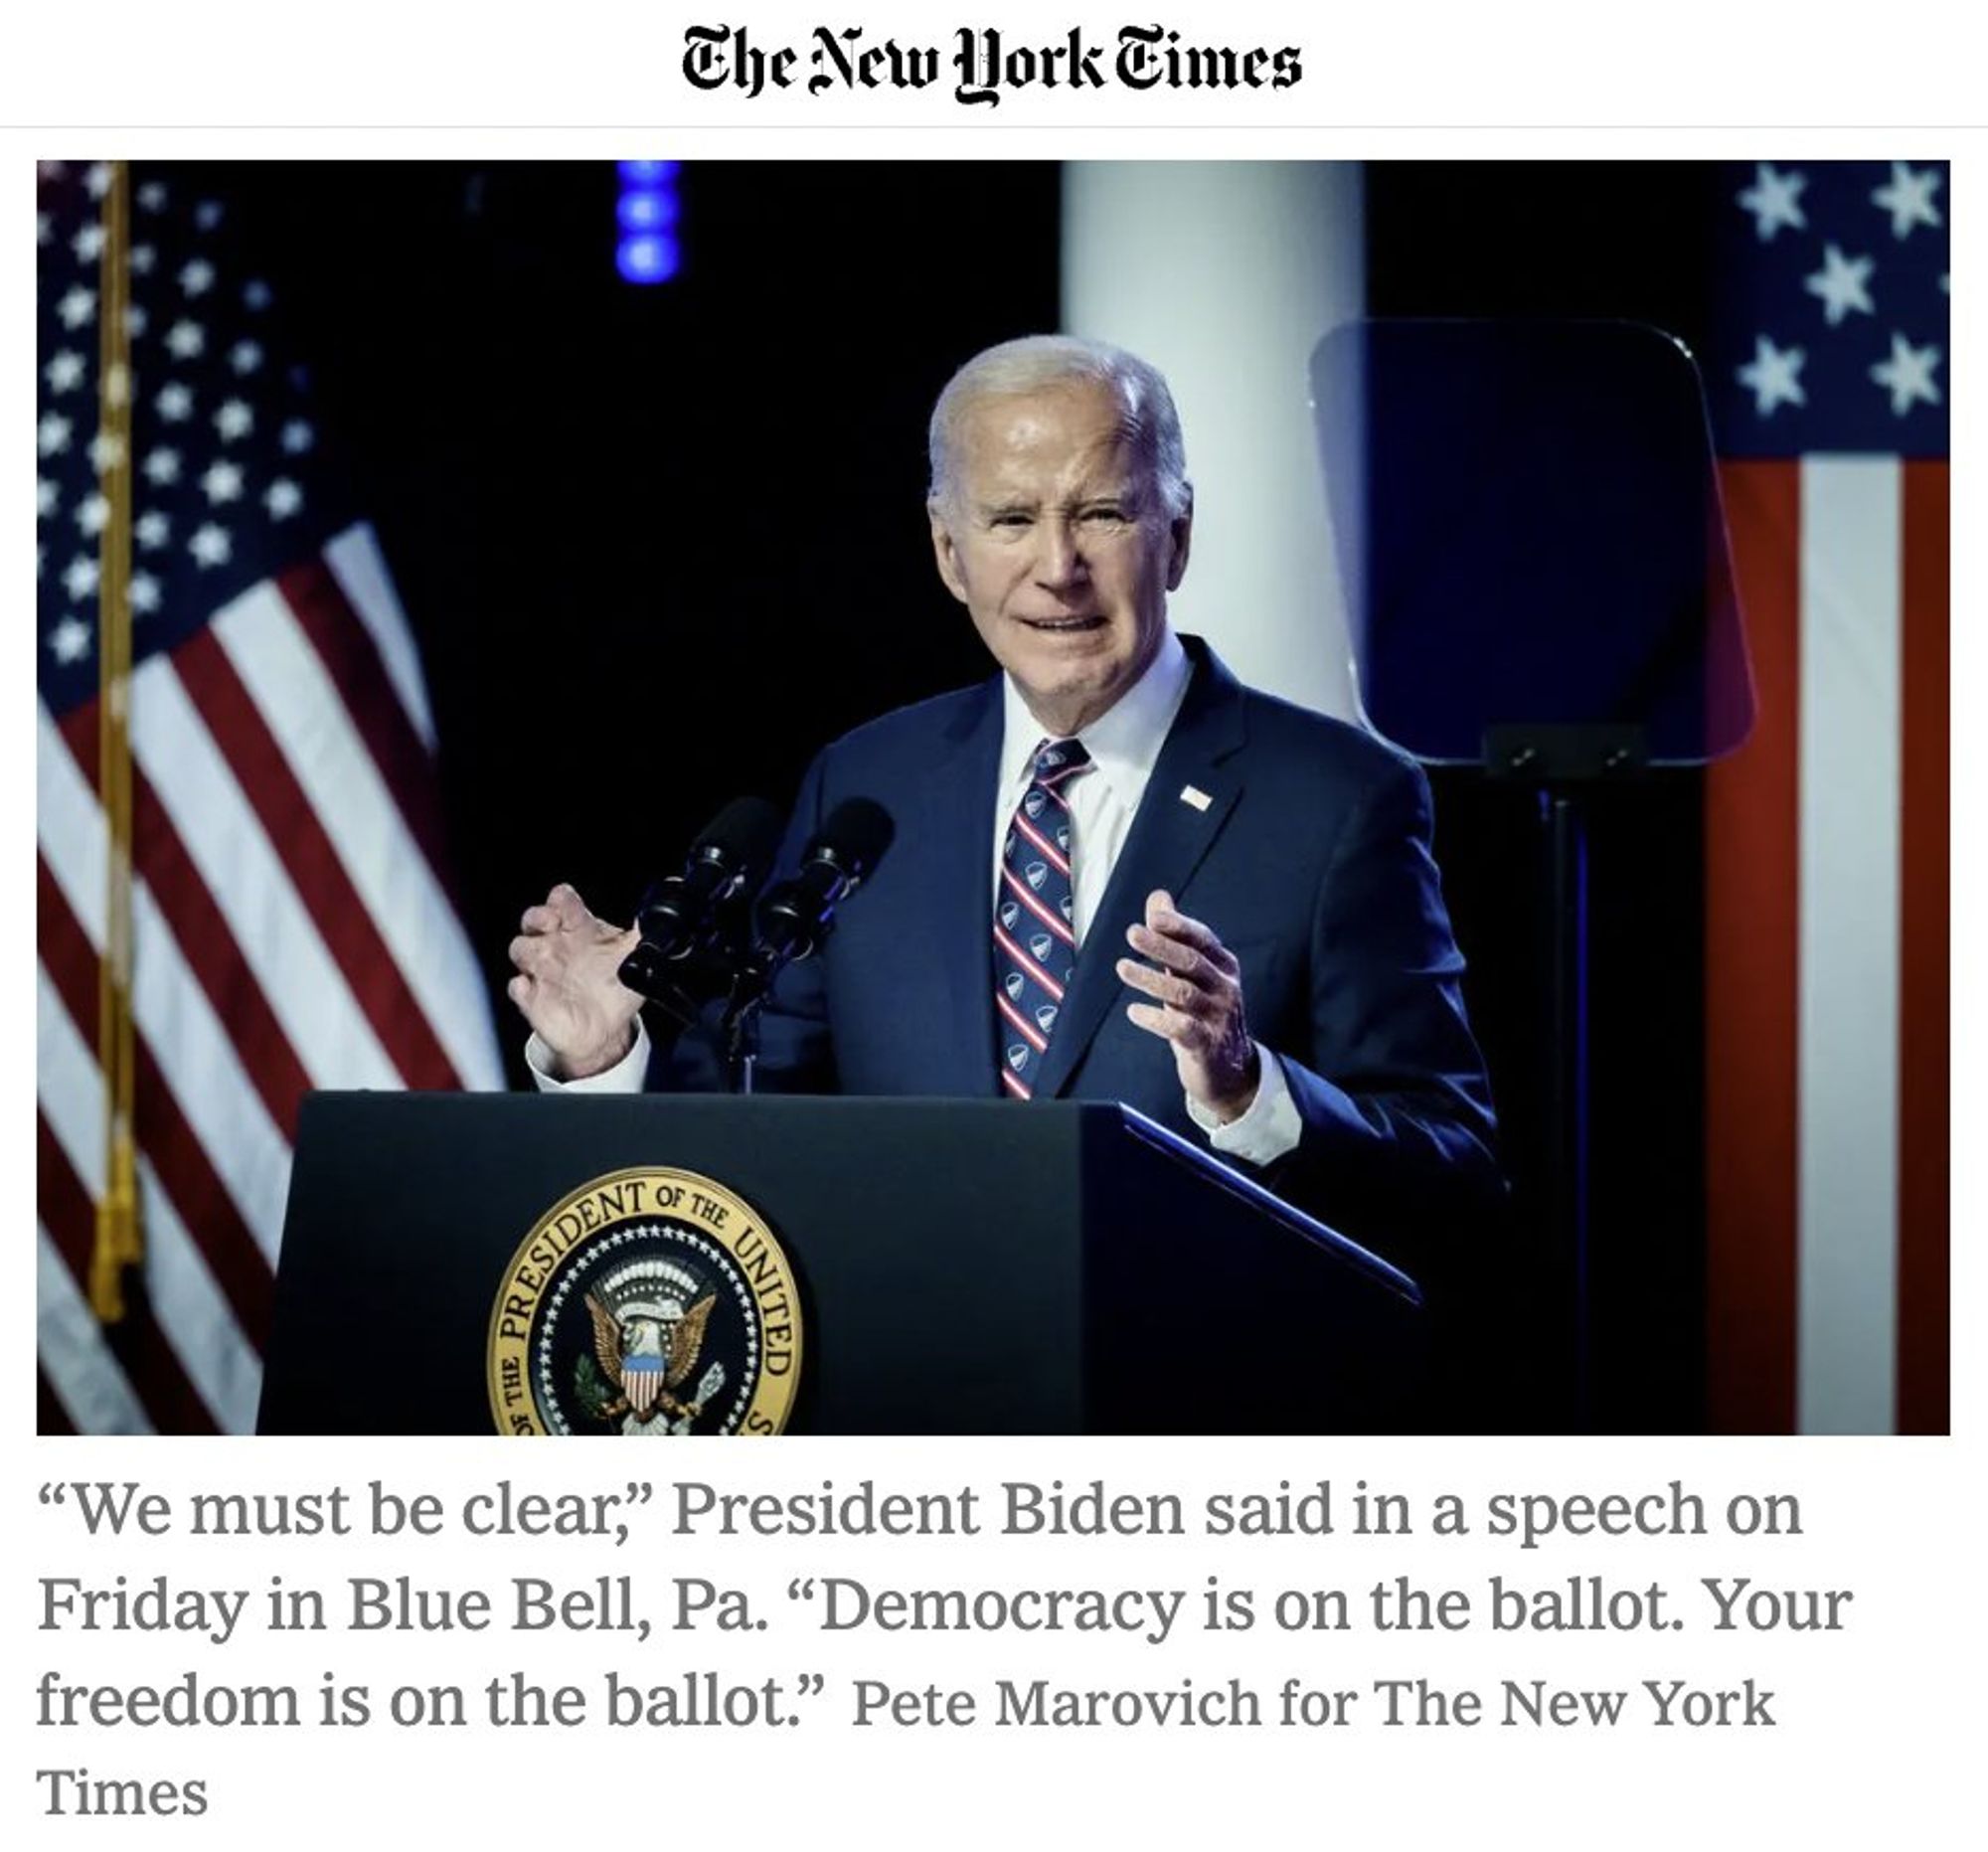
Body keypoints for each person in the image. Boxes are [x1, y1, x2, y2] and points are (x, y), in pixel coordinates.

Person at [507, 335, 1498, 1271]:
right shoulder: (866, 784)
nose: (1057, 568)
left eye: (1102, 513)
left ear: (1177, 537)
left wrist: (1249, 1090)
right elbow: (769, 1114)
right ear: (949, 553)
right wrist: (608, 1060)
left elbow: (1452, 1170)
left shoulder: (1337, 798)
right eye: (1011, 519)